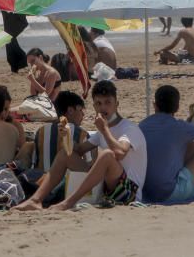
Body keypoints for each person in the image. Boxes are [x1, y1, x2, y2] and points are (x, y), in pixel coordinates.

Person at [15, 80, 147, 211]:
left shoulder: (129, 128)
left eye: (108, 102)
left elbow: (120, 153)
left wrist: (105, 130)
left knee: (107, 155)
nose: (103, 108)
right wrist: (66, 135)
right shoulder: (103, 131)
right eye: (99, 103)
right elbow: (78, 150)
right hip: (106, 189)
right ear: (94, 106)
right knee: (65, 154)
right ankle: (35, 200)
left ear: (116, 104)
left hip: (129, 193)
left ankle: (68, 202)